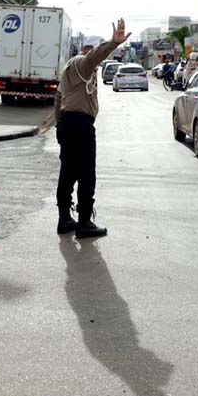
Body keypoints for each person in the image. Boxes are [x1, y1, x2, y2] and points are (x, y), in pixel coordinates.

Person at [54, 18, 131, 238]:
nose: (97, 55)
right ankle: (84, 222)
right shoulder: (83, 62)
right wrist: (113, 43)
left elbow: (58, 98)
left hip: (68, 123)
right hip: (80, 125)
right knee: (86, 174)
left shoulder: (71, 67)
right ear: (88, 48)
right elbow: (96, 55)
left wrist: (59, 124)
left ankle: (65, 219)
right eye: (94, 48)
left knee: (67, 173)